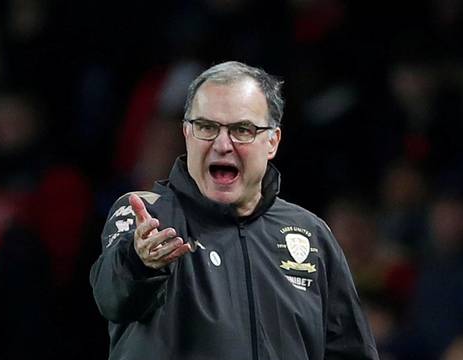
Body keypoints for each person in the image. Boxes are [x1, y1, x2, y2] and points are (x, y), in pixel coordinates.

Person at [90, 61, 379, 359]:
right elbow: (113, 298)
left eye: (242, 129)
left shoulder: (310, 234)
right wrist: (139, 262)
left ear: (272, 142)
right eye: (206, 127)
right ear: (187, 134)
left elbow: (350, 351)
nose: (222, 144)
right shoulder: (148, 216)